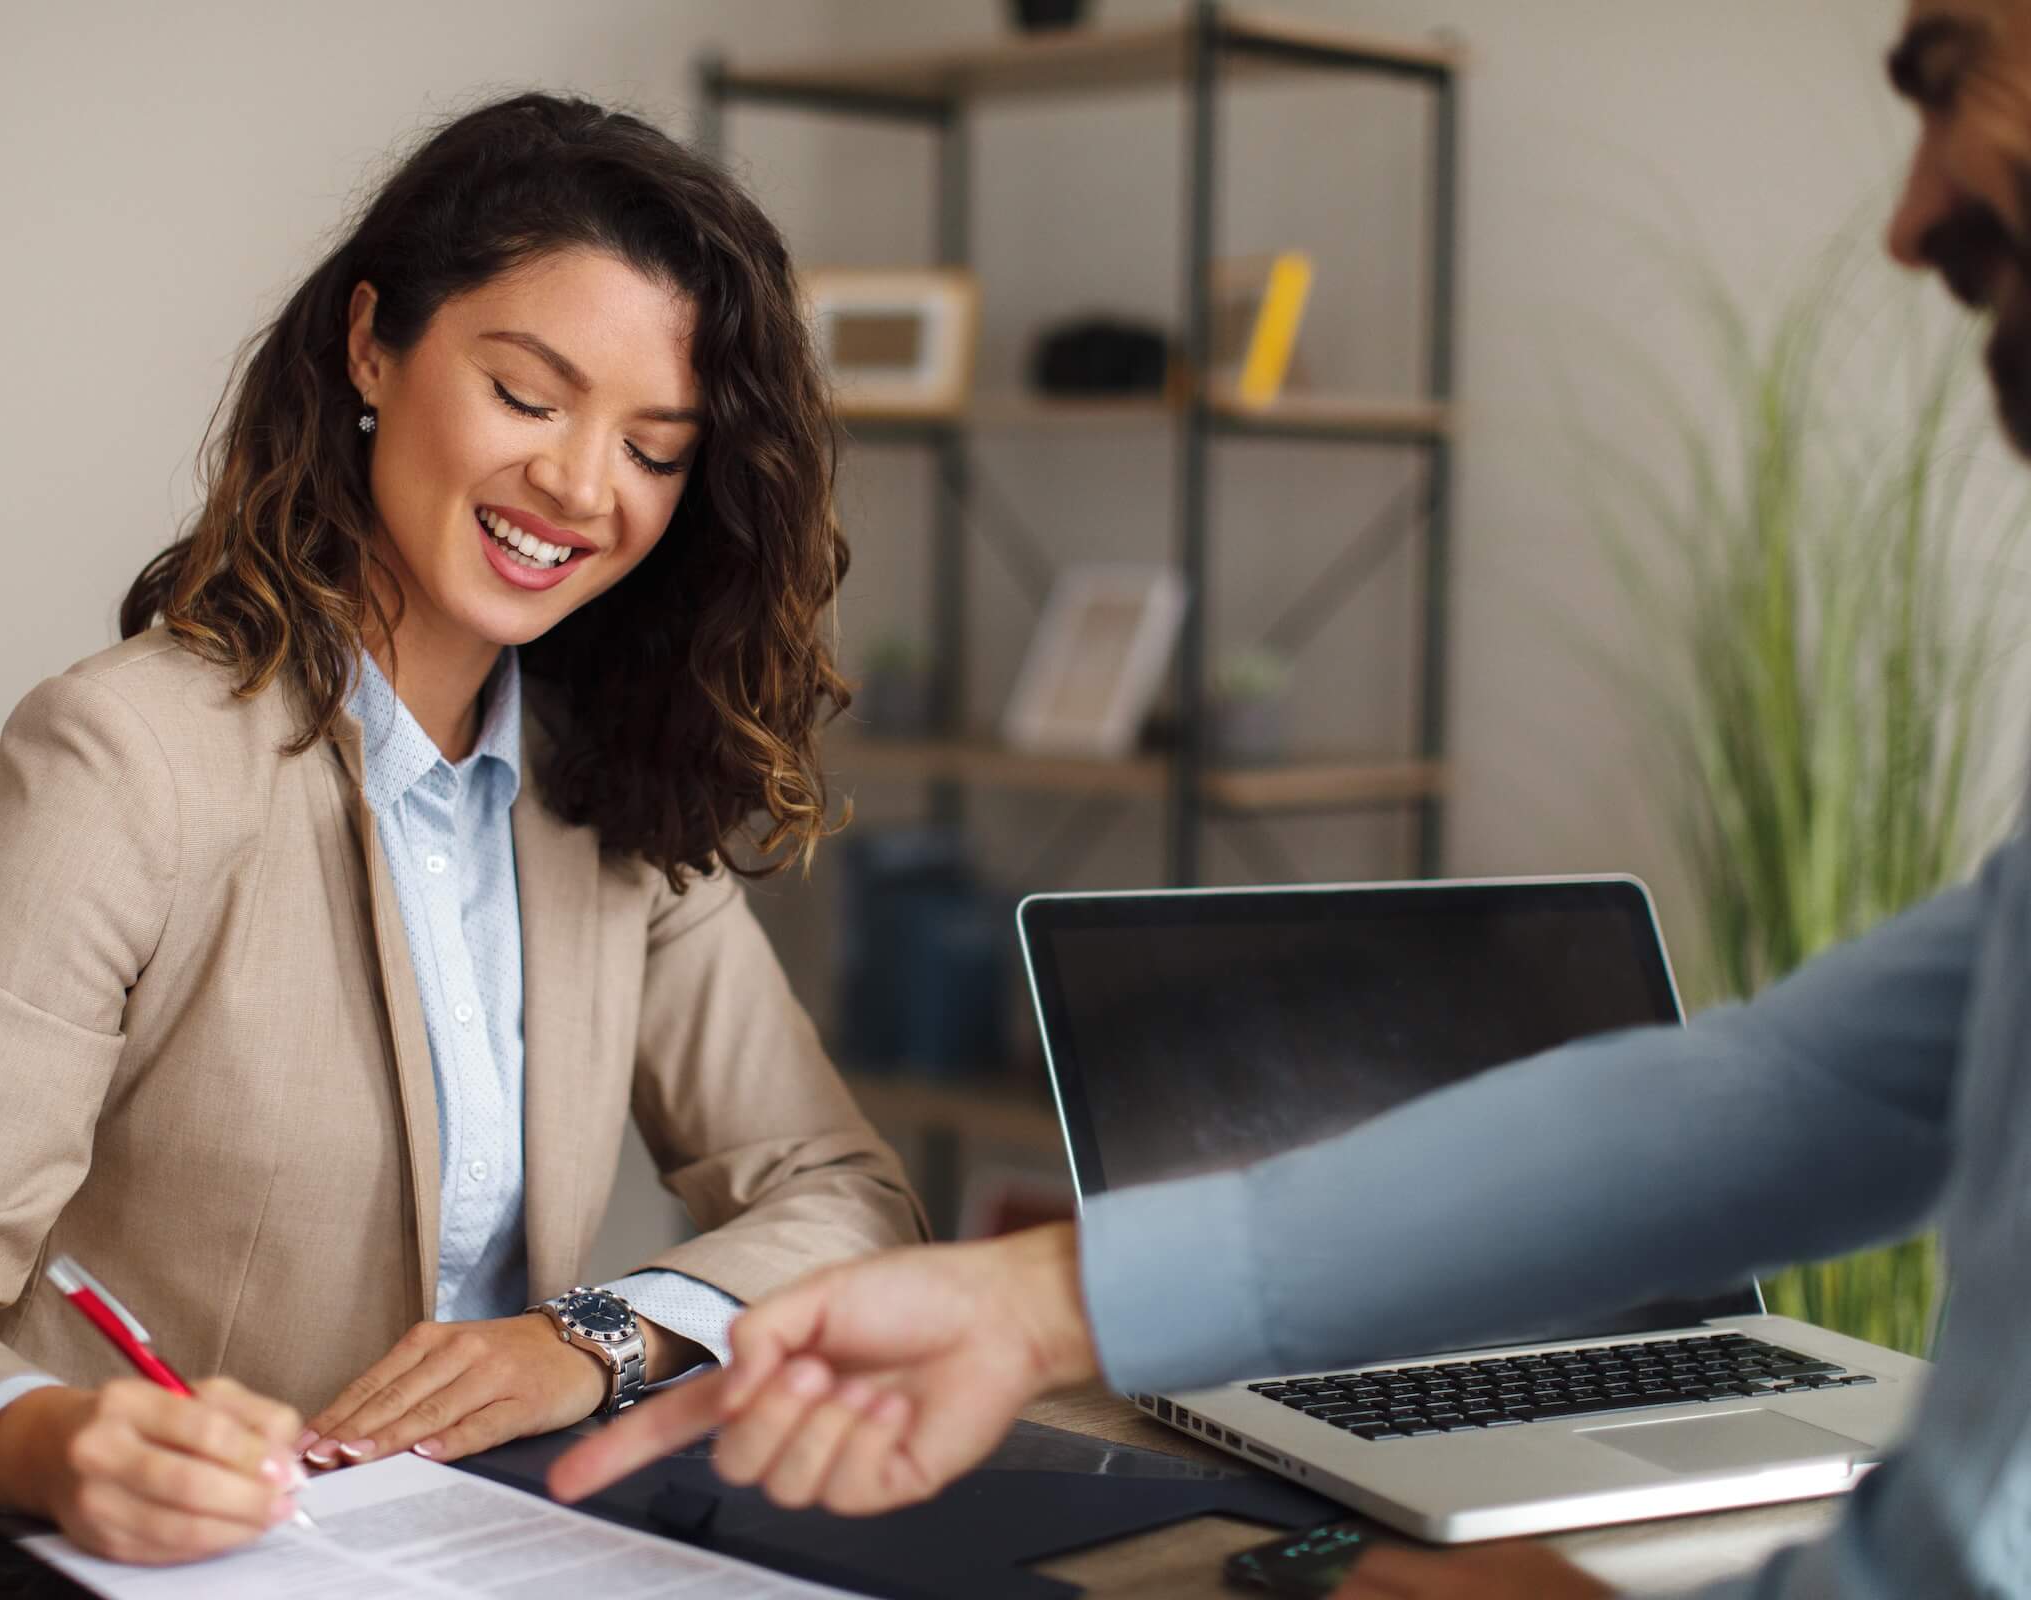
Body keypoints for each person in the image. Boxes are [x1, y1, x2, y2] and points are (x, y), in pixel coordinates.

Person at [554, 5, 2031, 1595]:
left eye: (1954, 72)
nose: (1905, 225)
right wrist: (1045, 1302)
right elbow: (1779, 1101)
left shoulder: (631, 808)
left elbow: (1967, 1548)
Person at [0, 93, 925, 1567]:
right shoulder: (127, 758)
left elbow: (846, 1197)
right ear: (374, 345)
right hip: (160, 1565)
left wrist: (592, 1341)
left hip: (483, 1546)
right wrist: (57, 1442)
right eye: (527, 394)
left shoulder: (610, 787)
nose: (580, 486)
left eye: (657, 446)